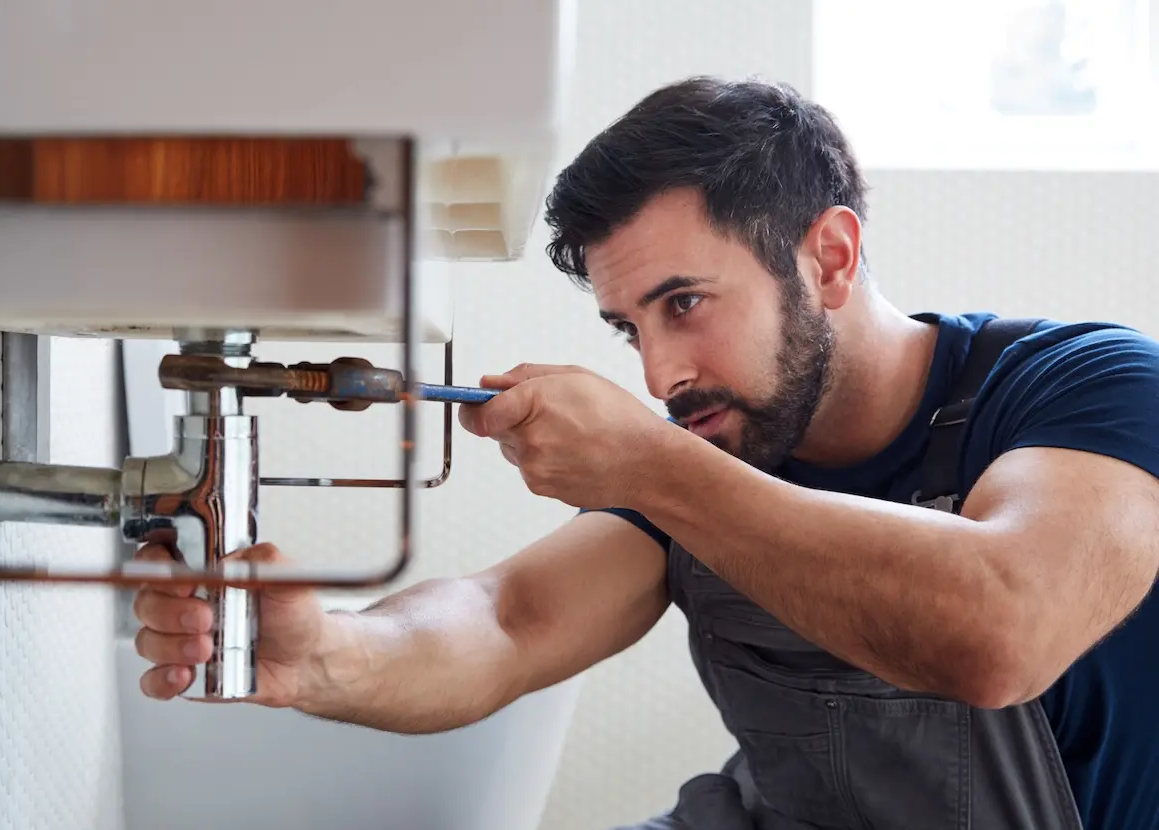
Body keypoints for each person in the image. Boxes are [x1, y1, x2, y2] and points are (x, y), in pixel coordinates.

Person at [130, 76, 1159, 830]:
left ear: (830, 256)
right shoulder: (721, 442)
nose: (664, 373)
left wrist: (653, 465)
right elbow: (507, 617)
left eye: (685, 304)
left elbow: (1000, 627)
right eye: (630, 327)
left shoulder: (1088, 388)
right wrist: (329, 655)